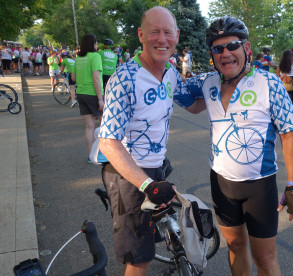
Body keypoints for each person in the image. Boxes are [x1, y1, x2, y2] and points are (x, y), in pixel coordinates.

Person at [180, 16, 293, 276]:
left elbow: (289, 135)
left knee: (265, 258)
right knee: (235, 246)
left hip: (259, 185)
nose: (225, 53)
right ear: (212, 55)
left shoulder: (269, 84)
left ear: (246, 49)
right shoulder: (207, 82)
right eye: (217, 48)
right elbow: (187, 101)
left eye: (232, 45)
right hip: (221, 182)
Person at [98, 7, 204, 276]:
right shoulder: (125, 78)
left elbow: (193, 105)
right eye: (154, 32)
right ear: (141, 34)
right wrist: (148, 184)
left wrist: (227, 86)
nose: (162, 39)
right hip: (129, 176)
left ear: (177, 36)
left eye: (167, 32)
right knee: (139, 258)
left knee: (150, 240)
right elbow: (108, 142)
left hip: (155, 170)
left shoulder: (169, 72)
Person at [71, 34, 104, 157]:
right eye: (96, 42)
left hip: (81, 93)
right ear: (93, 44)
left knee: (89, 127)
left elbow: (73, 77)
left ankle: (91, 155)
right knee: (104, 124)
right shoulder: (95, 56)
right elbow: (96, 77)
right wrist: (100, 99)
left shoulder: (78, 58)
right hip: (93, 94)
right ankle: (105, 154)